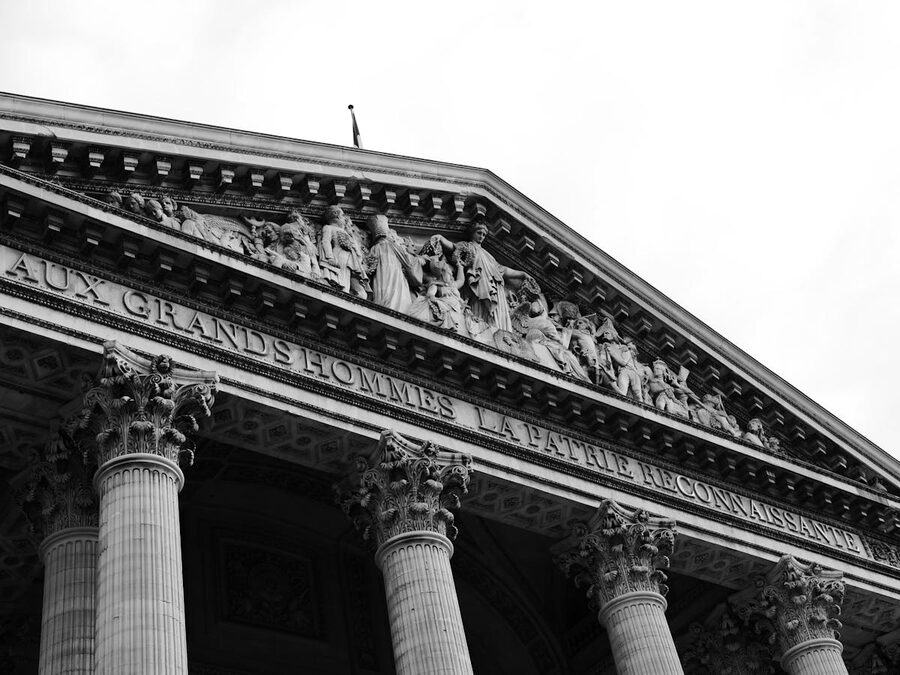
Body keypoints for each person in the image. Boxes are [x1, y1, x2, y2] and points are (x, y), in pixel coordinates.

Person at [366, 215, 422, 313]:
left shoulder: (376, 248)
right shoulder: (393, 246)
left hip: (388, 275)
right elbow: (408, 262)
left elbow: (369, 265)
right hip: (394, 275)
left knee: (386, 295)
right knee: (393, 294)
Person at [318, 206, 369, 297]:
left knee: (362, 293)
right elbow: (325, 241)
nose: (344, 218)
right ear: (336, 216)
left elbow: (355, 247)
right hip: (340, 256)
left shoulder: (346, 232)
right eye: (342, 215)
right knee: (343, 282)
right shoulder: (329, 227)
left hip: (353, 260)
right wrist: (330, 257)